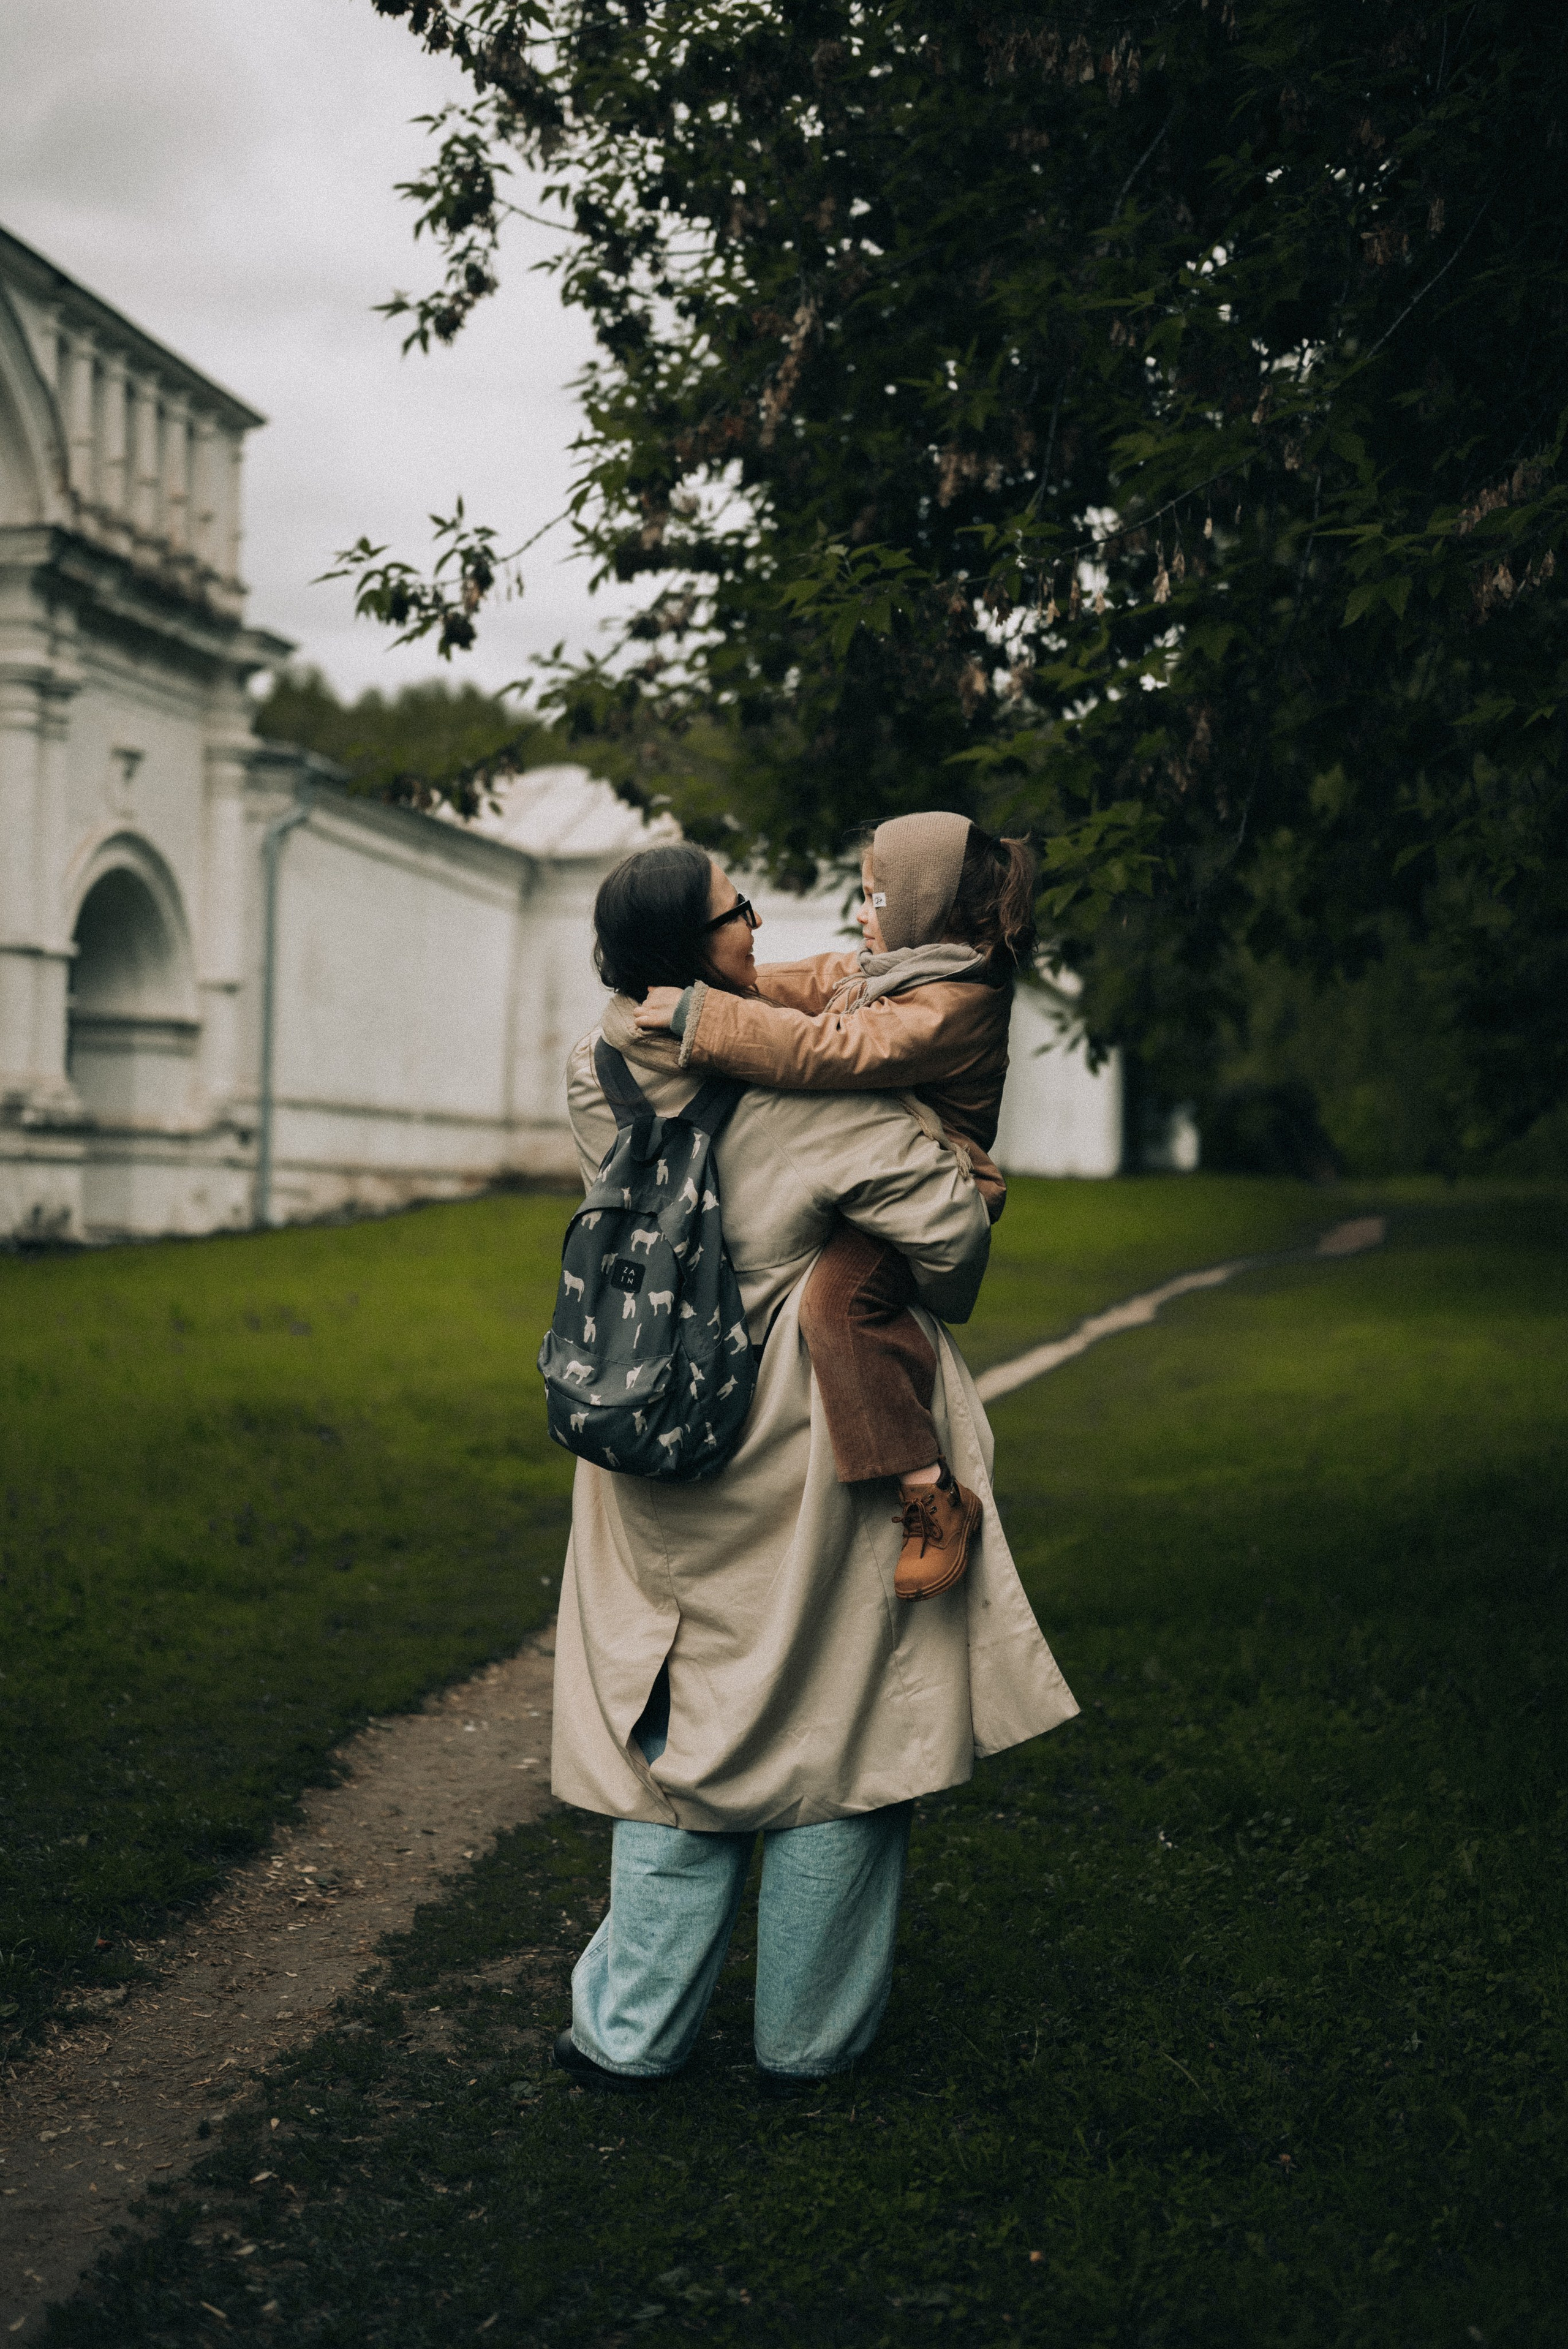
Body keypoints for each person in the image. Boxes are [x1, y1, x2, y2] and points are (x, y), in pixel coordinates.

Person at [549, 842, 1077, 2095]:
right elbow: (946, 1249)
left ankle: (629, 2033)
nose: (757, 920)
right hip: (803, 1454)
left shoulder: (596, 1069)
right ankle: (807, 2038)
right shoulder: (823, 1105)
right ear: (702, 946)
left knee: (673, 1736)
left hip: (650, 1440)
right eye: (737, 910)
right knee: (839, 1735)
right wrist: (957, 1183)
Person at [633, 812, 1035, 1602]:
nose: (860, 913)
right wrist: (722, 982)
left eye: (874, 897)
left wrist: (703, 1018)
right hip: (867, 1180)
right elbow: (810, 982)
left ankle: (931, 1496)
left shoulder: (956, 1002)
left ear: (924, 910)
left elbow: (833, 1048)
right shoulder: (901, 967)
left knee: (837, 1307)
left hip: (926, 1189)